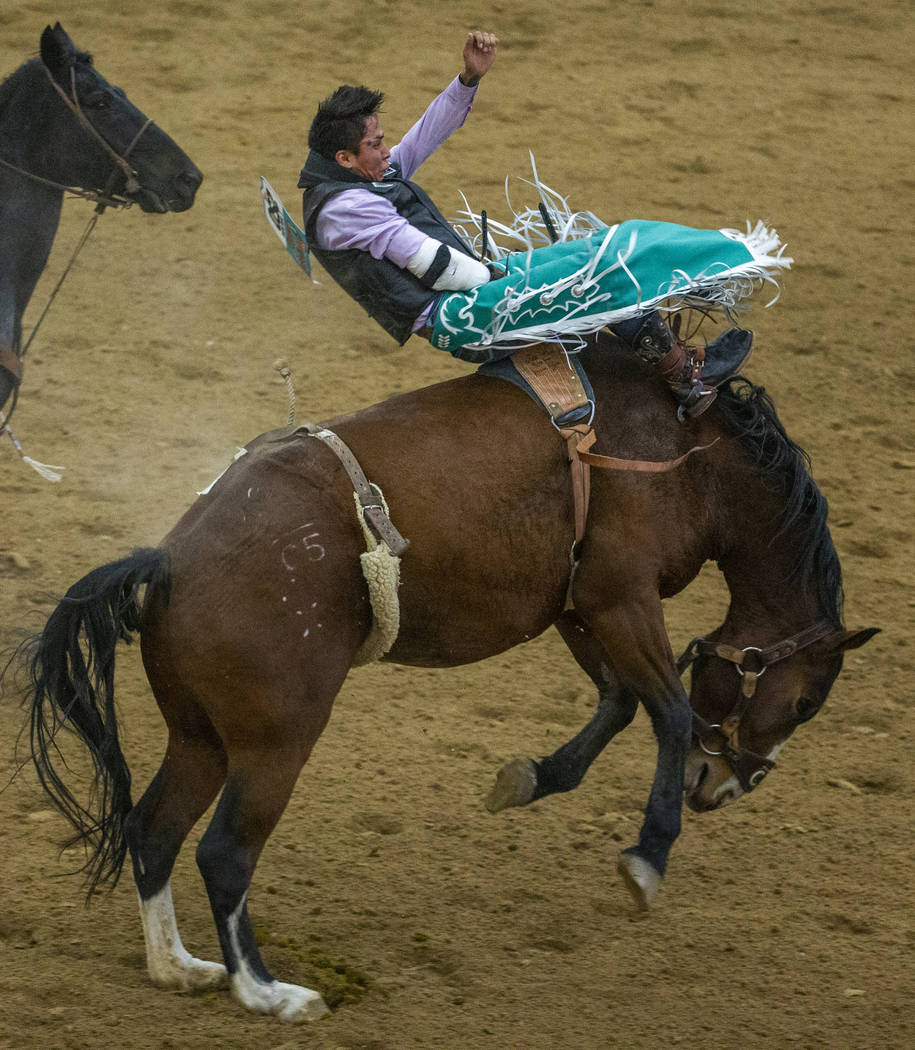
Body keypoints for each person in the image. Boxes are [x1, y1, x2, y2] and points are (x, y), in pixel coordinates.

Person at [298, 31, 754, 418]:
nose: (386, 149)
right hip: (460, 314)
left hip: (468, 292)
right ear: (345, 157)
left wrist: (468, 79)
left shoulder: (356, 179)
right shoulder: (347, 207)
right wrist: (502, 275)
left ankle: (675, 363)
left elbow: (424, 136)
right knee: (596, 271)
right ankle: (687, 379)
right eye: (376, 144)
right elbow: (432, 265)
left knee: (595, 250)